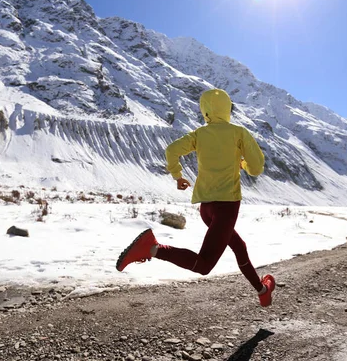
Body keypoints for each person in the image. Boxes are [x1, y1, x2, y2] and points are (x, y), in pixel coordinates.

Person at [116, 88, 275, 306]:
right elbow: (256, 168)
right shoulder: (239, 133)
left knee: (239, 247)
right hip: (226, 207)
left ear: (205, 111)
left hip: (206, 209)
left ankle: (262, 290)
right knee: (203, 265)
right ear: (227, 109)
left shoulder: (199, 134)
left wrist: (178, 176)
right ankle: (152, 248)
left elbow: (172, 150)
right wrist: (243, 163)